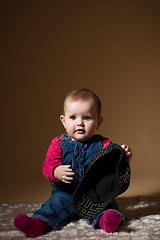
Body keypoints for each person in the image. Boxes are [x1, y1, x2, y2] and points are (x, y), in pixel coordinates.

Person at [14, 89, 132, 238]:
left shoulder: (104, 144)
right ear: (64, 121)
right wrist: (56, 171)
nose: (80, 123)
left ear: (98, 122)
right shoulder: (58, 144)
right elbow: (47, 166)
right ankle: (37, 224)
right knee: (52, 207)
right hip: (65, 193)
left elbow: (113, 168)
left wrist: (123, 156)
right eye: (73, 117)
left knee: (107, 205)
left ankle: (106, 221)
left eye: (87, 118)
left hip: (94, 194)